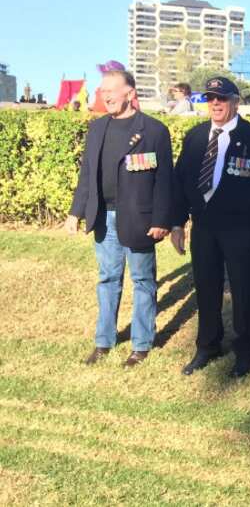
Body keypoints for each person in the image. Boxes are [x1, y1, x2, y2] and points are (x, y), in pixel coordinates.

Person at [170, 77, 250, 379]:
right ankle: (208, 345)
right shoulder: (194, 137)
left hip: (241, 228)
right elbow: (180, 183)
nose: (215, 104)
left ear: (235, 102)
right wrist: (177, 223)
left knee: (244, 290)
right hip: (204, 227)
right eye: (210, 99)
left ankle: (246, 348)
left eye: (221, 98)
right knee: (206, 287)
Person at [66, 68, 174, 368]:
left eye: (111, 90)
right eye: (103, 91)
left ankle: (141, 345)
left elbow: (165, 181)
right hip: (103, 217)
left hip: (139, 219)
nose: (106, 95)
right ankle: (104, 341)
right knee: (108, 278)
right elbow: (87, 174)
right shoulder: (98, 128)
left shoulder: (153, 130)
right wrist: (76, 212)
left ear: (130, 93)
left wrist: (162, 219)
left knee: (142, 280)